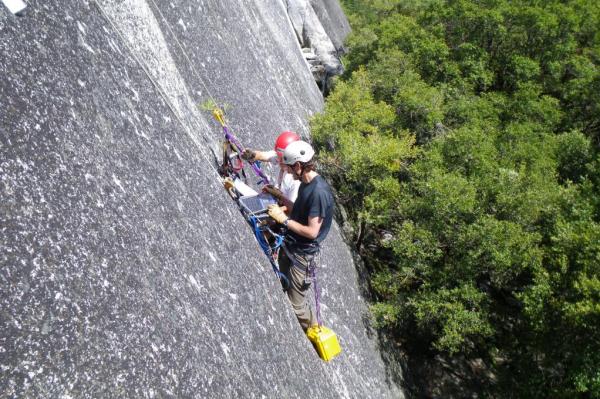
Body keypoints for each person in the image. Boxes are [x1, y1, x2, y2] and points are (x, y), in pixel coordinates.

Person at [266, 140, 335, 332]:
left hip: (302, 255)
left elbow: (312, 231)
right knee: (281, 281)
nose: (287, 172)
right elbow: (301, 211)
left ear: (298, 165)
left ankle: (314, 332)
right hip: (292, 246)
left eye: (289, 168)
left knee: (296, 305)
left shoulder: (318, 192)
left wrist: (283, 220)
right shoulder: (306, 183)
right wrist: (281, 197)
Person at [241, 131, 301, 210]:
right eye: (278, 156)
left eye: (282, 158)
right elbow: (264, 155)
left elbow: (293, 209)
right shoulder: (282, 158)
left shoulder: (295, 181)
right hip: (276, 201)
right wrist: (252, 155)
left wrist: (272, 210)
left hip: (284, 213)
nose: (278, 160)